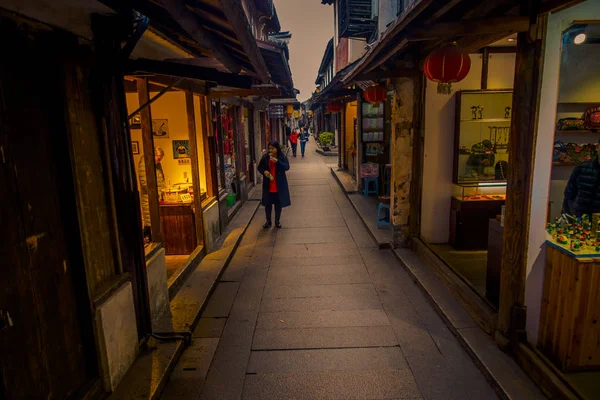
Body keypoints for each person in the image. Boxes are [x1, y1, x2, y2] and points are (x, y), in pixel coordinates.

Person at [257, 141, 290, 228]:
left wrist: (277, 161)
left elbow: (287, 167)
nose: (271, 150)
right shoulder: (265, 157)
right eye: (270, 148)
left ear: (277, 149)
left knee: (278, 204)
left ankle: (277, 221)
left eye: (273, 148)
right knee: (268, 204)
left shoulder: (282, 157)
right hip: (268, 184)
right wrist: (264, 171)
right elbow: (259, 167)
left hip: (278, 184)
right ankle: (268, 221)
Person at [562, 142, 600, 216]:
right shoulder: (581, 168)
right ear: (598, 147)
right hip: (580, 220)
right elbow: (569, 194)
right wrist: (570, 214)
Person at [139, 146, 166, 243]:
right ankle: (149, 240)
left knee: (152, 220)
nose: (159, 161)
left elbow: (161, 179)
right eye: (159, 158)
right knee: (149, 219)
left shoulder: (157, 164)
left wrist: (163, 190)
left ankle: (152, 240)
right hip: (149, 197)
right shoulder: (144, 164)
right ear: (153, 155)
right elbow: (145, 182)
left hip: (157, 195)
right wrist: (155, 193)